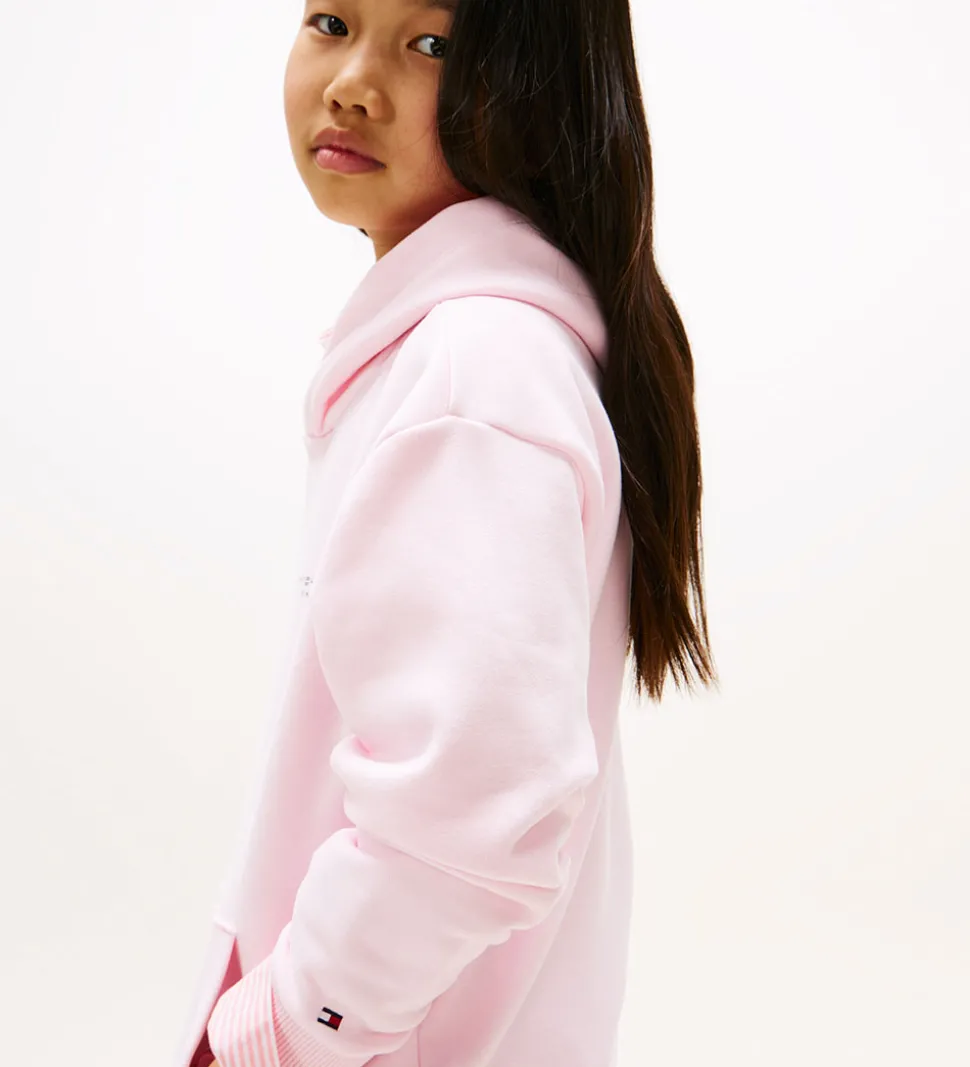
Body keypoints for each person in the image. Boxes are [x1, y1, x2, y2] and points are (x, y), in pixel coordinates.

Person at [176, 0, 718, 1065]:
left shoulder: (479, 369)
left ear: (538, 89)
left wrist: (285, 1025)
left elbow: (465, 817)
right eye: (331, 21)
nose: (351, 85)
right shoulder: (472, 348)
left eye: (432, 46)